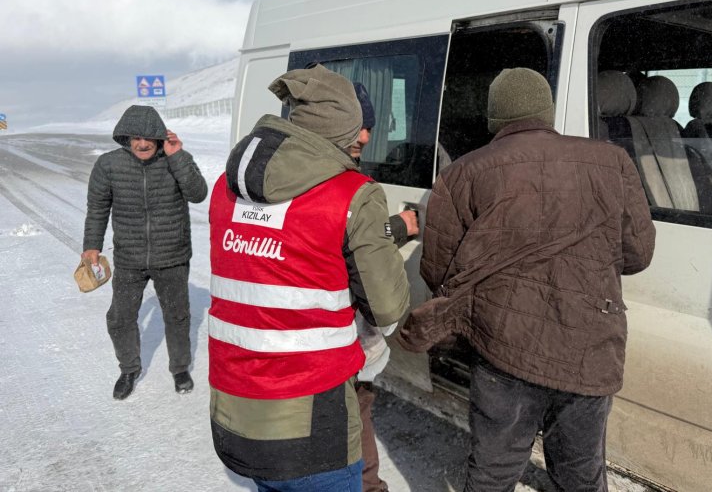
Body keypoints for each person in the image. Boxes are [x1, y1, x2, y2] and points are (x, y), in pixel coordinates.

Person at [414, 68, 655, 492]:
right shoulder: (612, 161)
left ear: (494, 117)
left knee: (493, 471)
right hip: (590, 344)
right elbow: (638, 255)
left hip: (502, 347)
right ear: (547, 111)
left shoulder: (462, 174)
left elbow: (440, 272)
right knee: (581, 473)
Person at [208, 64, 410, 491]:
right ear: (340, 129)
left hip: (233, 410)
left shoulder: (226, 188)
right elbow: (387, 309)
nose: (365, 138)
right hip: (312, 424)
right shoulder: (353, 194)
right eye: (358, 127)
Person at [82, 105, 208, 400]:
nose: (142, 144)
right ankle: (129, 369)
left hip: (172, 256)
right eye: (136, 137)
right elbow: (98, 208)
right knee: (120, 317)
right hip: (129, 258)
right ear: (126, 137)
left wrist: (177, 156)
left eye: (148, 138)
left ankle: (179, 368)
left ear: (159, 137)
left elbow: (198, 194)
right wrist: (92, 246)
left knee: (177, 316)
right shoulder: (108, 165)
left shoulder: (176, 160)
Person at [351, 82, 419, 492]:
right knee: (355, 410)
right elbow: (345, 237)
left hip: (341, 336)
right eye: (358, 127)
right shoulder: (343, 185)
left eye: (370, 127)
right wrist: (396, 227)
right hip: (340, 341)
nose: (366, 137)